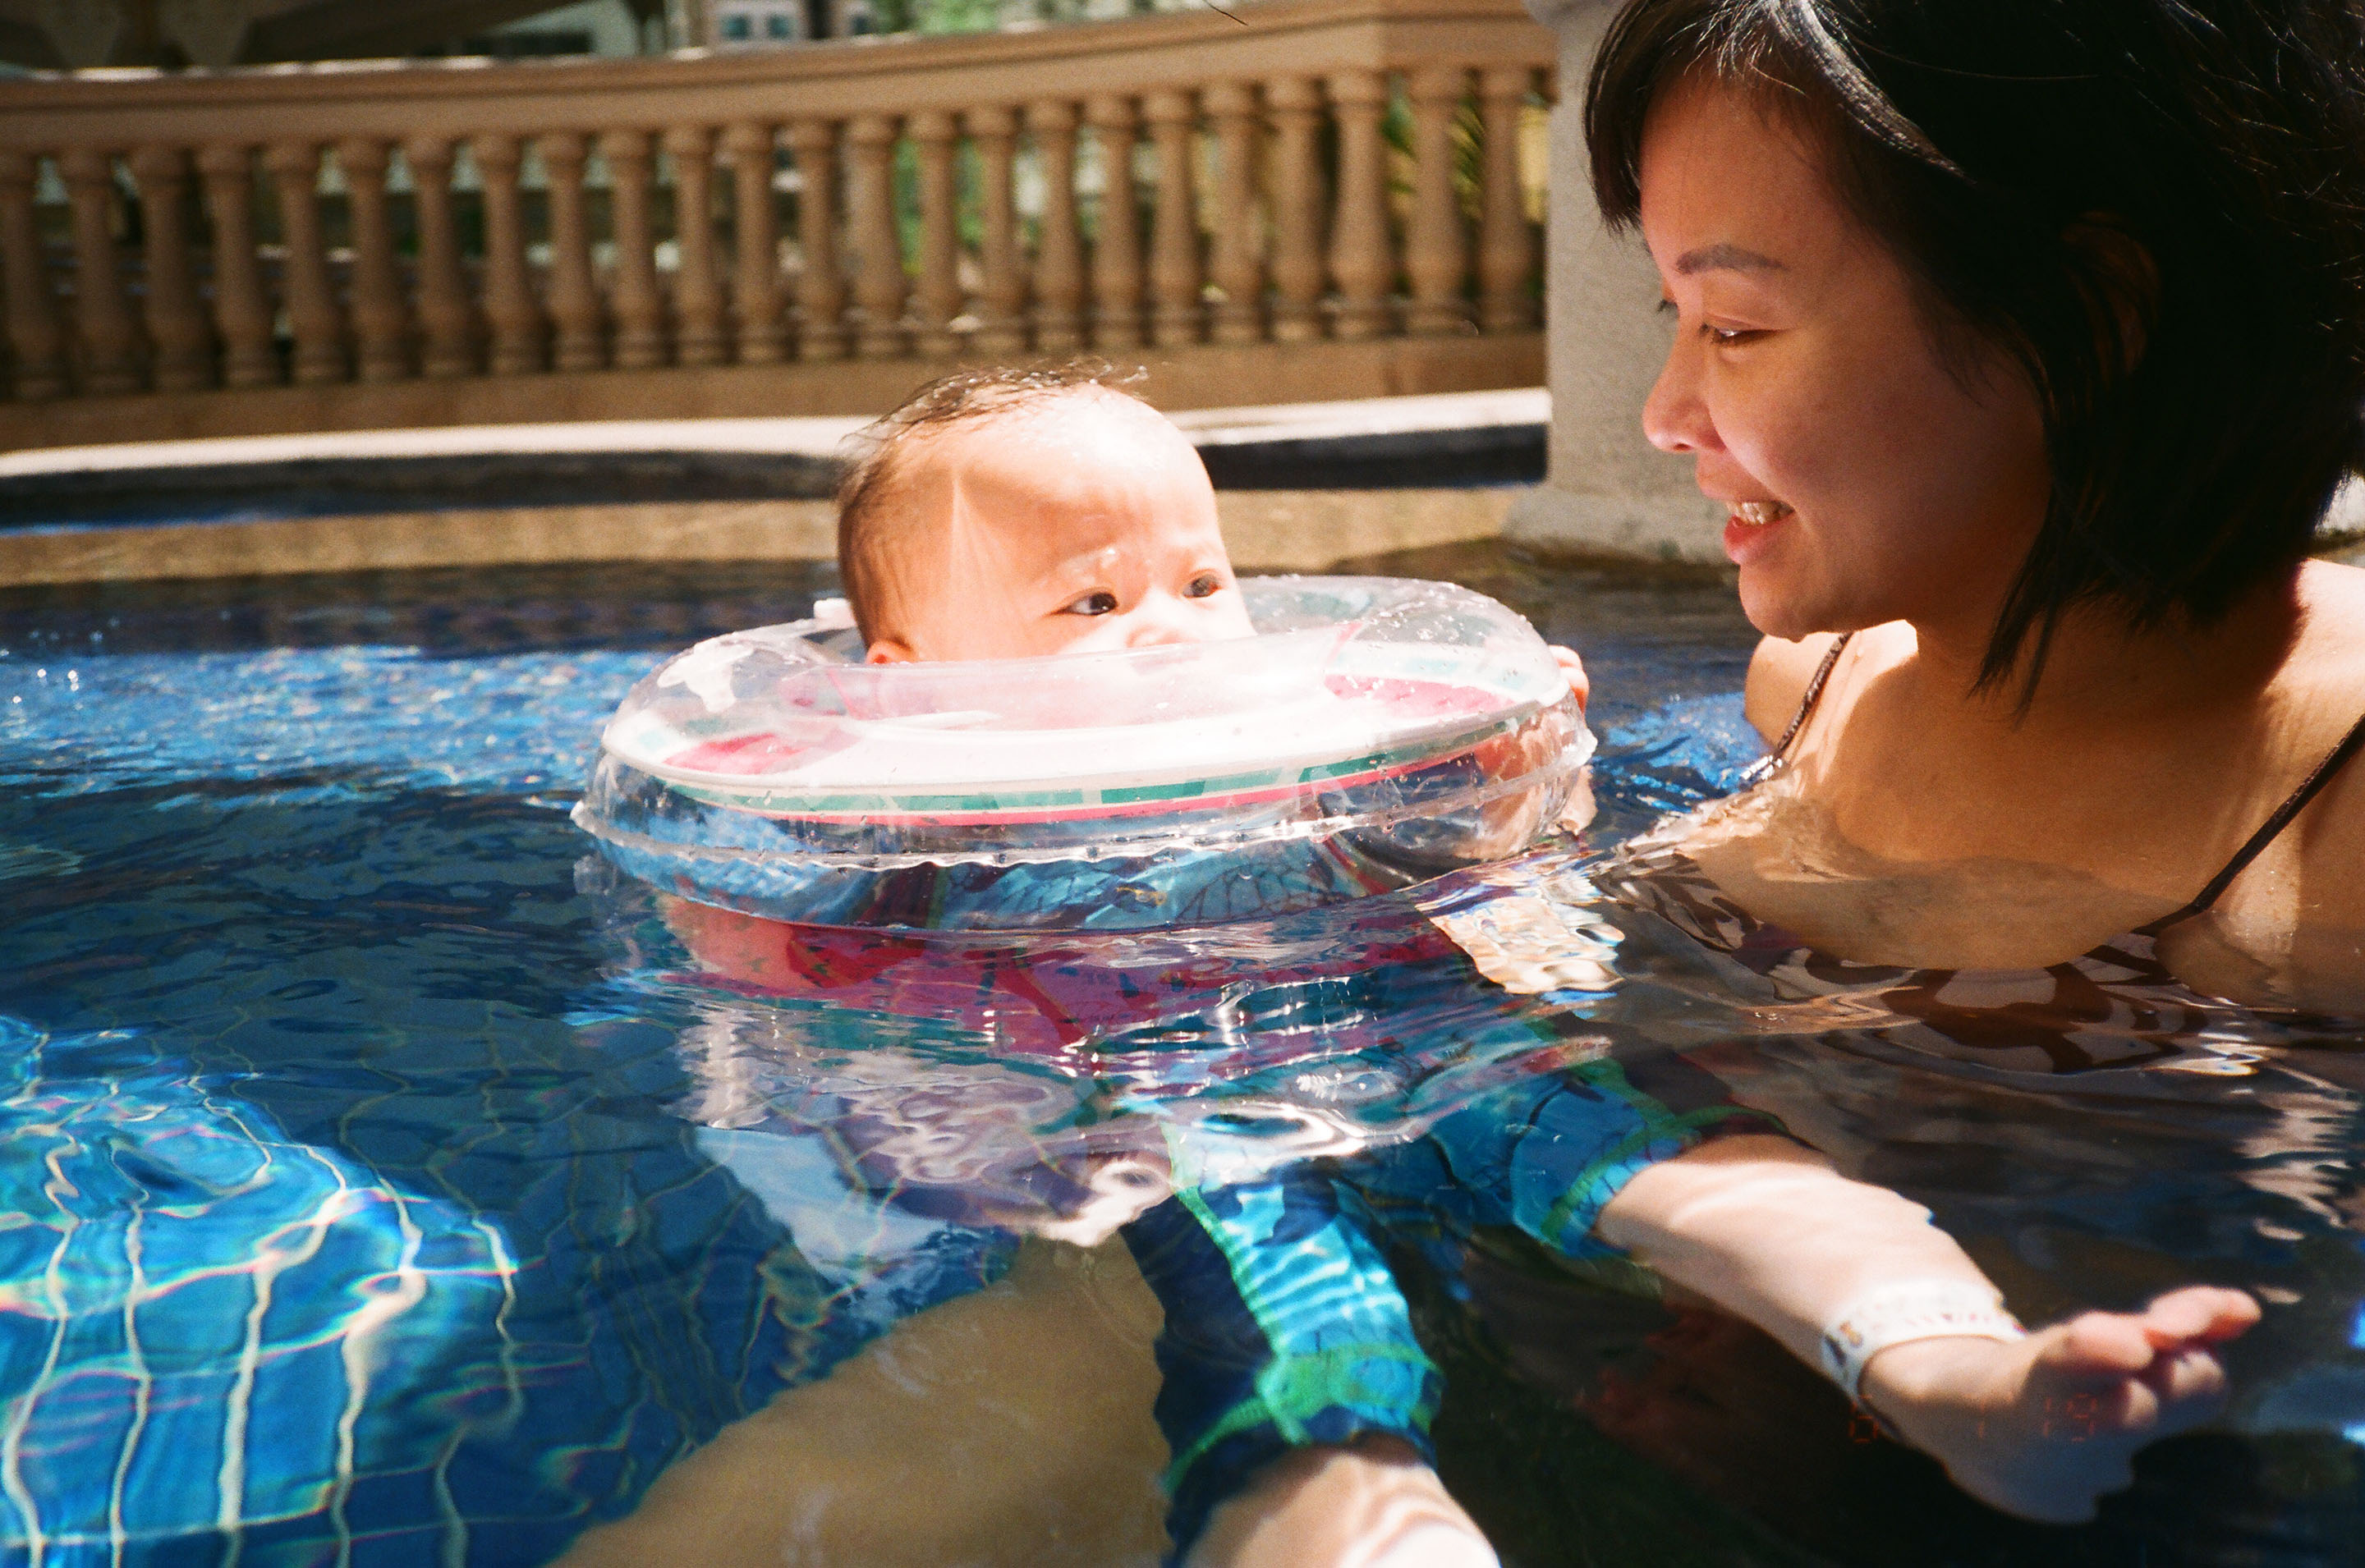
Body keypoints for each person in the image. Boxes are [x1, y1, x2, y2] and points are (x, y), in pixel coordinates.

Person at [668, 361, 2260, 1565]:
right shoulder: (918, 863)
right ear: (909, 684)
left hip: (1431, 1031)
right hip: (1208, 1125)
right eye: (1093, 598)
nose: (1175, 627)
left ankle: (1954, 1364)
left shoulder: (1311, 760)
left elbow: (1494, 887)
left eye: (1203, 579)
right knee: (1300, 1341)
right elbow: (838, 1044)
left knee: (1703, 1162)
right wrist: (759, 963)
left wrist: (1505, 786)